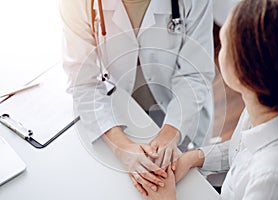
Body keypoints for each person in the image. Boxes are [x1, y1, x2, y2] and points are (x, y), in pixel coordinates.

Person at [144, 0, 278, 199]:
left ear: (243, 74)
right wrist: (194, 158)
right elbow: (242, 148)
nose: (218, 45)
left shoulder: (274, 183)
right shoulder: (265, 104)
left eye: (224, 43)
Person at [59, 0, 215, 196]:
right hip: (124, 114)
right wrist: (121, 146)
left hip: (184, 115)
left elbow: (195, 74)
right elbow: (83, 82)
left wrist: (171, 132)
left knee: (195, 188)